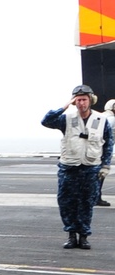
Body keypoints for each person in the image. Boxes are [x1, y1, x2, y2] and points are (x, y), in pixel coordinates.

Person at [41, 84, 113, 249]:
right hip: (69, 168)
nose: (81, 103)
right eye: (78, 100)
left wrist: (105, 166)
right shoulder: (66, 119)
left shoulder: (102, 120)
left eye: (84, 99)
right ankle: (71, 235)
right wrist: (65, 105)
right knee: (66, 202)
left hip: (90, 168)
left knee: (86, 203)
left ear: (91, 100)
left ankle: (84, 236)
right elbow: (46, 121)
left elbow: (108, 144)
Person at [99, 98, 115, 206]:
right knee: (101, 174)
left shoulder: (101, 116)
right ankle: (96, 197)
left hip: (97, 149)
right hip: (103, 150)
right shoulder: (111, 119)